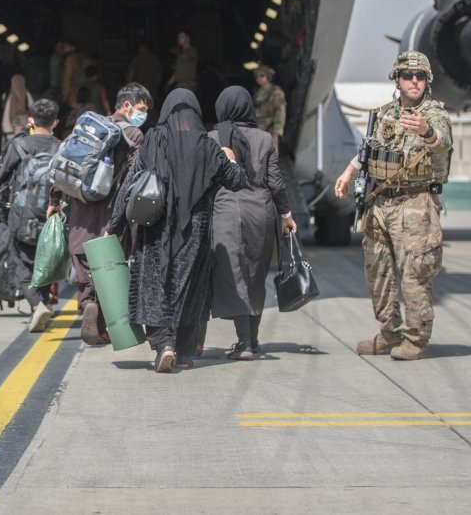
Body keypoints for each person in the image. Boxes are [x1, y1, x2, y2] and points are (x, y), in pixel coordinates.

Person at [106, 89, 244, 372]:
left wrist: (115, 226)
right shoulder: (207, 146)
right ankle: (183, 352)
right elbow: (237, 181)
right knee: (190, 290)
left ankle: (162, 344)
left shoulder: (154, 140)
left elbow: (131, 184)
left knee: (153, 288)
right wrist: (230, 159)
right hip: (196, 231)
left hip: (156, 229)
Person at [334, 51, 453, 361]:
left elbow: (442, 141)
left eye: (420, 77)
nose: (414, 81)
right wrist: (348, 173)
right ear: (397, 80)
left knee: (415, 273)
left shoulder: (433, 114)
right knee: (378, 271)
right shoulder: (386, 113)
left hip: (415, 203)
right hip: (381, 204)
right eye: (407, 76)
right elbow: (369, 149)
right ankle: (389, 333)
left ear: (428, 81)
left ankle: (415, 340)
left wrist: (425, 131)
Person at [208, 86, 297, 361]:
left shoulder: (213, 137)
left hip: (225, 210)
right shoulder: (265, 139)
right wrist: (286, 214)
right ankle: (253, 339)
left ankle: (244, 341)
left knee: (233, 275)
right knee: (255, 275)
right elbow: (276, 182)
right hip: (262, 211)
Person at [65, 82, 152, 345]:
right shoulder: (135, 135)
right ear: (126, 105)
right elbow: (136, 176)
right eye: (141, 108)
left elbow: (66, 162)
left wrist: (54, 200)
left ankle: (86, 303)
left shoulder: (89, 126)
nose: (143, 114)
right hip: (111, 208)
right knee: (109, 263)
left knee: (82, 254)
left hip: (80, 205)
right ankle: (101, 322)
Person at [0, 98, 63, 332]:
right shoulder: (62, 147)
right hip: (52, 213)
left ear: (31, 120)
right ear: (56, 122)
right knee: (45, 260)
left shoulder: (18, 145)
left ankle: (36, 303)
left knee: (20, 261)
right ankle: (41, 303)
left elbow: (2, 179)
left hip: (22, 214)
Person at [253, 64, 286, 149]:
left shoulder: (275, 91)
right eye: (257, 76)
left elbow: (280, 111)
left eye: (262, 75)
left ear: (268, 76)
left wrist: (277, 131)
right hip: (258, 128)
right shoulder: (258, 93)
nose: (259, 78)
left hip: (270, 128)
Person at [126, 40, 163, 104]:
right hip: (153, 86)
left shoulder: (137, 59)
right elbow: (159, 73)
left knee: (141, 104)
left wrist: (128, 85)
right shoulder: (154, 58)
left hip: (142, 86)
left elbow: (131, 73)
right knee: (151, 104)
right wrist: (158, 84)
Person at [1, 74, 33, 145]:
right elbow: (33, 112)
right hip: (20, 133)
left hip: (12, 133)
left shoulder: (7, 96)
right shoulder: (27, 95)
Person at [166, 30, 198, 94]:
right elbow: (178, 71)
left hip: (188, 86)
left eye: (182, 37)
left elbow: (188, 56)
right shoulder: (180, 55)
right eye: (179, 37)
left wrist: (177, 51)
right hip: (179, 85)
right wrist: (169, 83)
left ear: (188, 38)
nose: (179, 39)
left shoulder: (192, 50)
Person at [61, 40, 86, 108]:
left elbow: (67, 78)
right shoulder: (80, 57)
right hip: (84, 91)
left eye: (66, 47)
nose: (64, 49)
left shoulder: (70, 60)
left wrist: (65, 96)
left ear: (73, 47)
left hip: (74, 92)